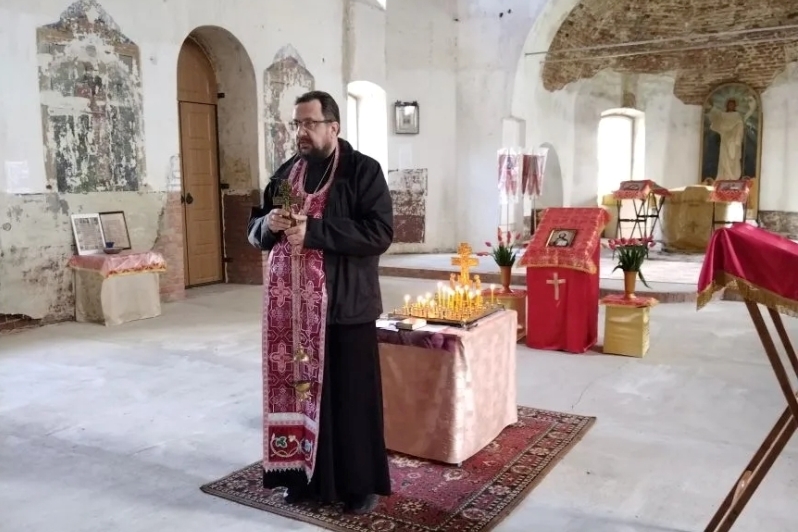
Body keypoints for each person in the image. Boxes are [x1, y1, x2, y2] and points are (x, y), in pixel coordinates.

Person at [246, 90, 394, 514]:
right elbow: (255, 232)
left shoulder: (362, 171)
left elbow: (379, 233)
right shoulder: (286, 174)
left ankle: (358, 486)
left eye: (310, 123)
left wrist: (314, 231)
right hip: (292, 314)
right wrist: (268, 223)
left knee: (350, 400)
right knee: (299, 398)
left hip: (345, 307)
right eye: (297, 124)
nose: (301, 132)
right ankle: (301, 478)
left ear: (333, 126)